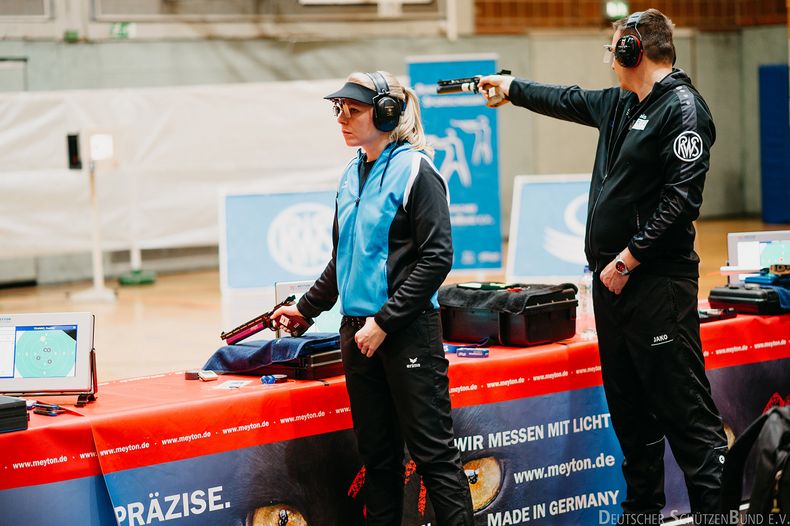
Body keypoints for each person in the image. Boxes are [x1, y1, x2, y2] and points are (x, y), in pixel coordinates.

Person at [478, 9, 728, 522]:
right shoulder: (620, 104)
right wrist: (510, 87)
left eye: (613, 47)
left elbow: (681, 201)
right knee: (633, 423)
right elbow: (565, 99)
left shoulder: (683, 110)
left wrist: (629, 259)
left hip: (654, 286)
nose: (609, 57)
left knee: (690, 423)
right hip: (614, 288)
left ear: (633, 49)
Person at [273, 70, 474, 526]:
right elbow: (343, 261)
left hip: (404, 333)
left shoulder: (416, 171)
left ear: (386, 114)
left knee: (434, 457)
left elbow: (437, 258)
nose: (342, 117)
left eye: (354, 109)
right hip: (358, 335)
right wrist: (305, 308)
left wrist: (384, 321)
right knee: (378, 459)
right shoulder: (350, 174)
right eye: (338, 109)